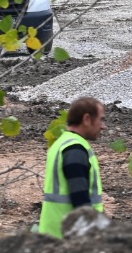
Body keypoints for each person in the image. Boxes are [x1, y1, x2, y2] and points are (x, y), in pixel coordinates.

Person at [38, 96, 107, 237]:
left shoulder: (62, 143)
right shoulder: (75, 149)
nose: (103, 126)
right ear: (87, 119)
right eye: (101, 119)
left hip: (53, 237)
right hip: (69, 241)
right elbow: (80, 201)